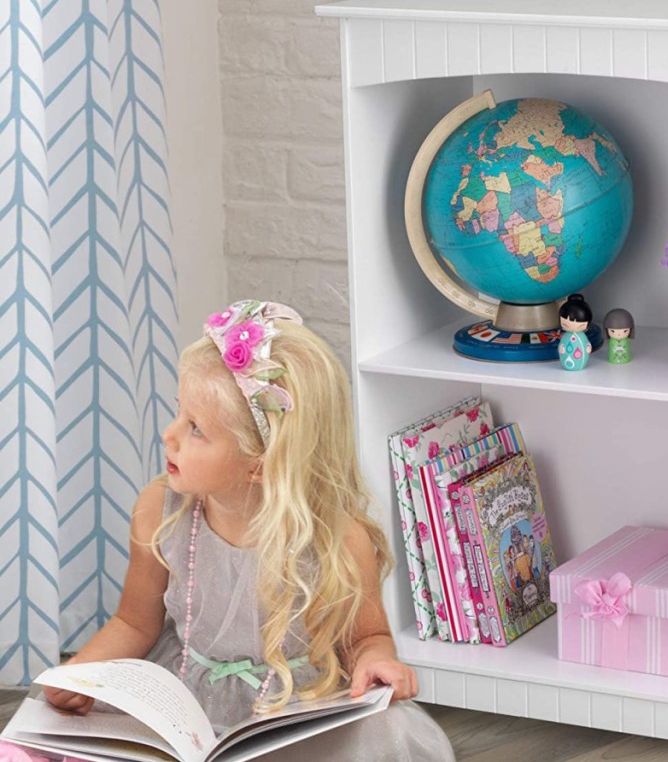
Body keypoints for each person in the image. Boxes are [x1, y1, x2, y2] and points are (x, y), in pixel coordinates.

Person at [41, 300, 456, 761]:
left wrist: (379, 661)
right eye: (179, 413)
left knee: (388, 733)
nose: (169, 435)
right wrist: (79, 673)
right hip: (187, 699)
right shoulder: (161, 512)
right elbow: (134, 622)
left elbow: (367, 637)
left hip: (298, 712)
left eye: (195, 429)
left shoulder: (337, 539)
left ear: (260, 465)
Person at [557, 293, 593, 371]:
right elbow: (562, 344)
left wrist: (588, 347)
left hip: (581, 361)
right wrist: (561, 348)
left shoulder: (582, 336)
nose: (572, 325)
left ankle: (579, 365)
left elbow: (586, 343)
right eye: (565, 323)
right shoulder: (566, 336)